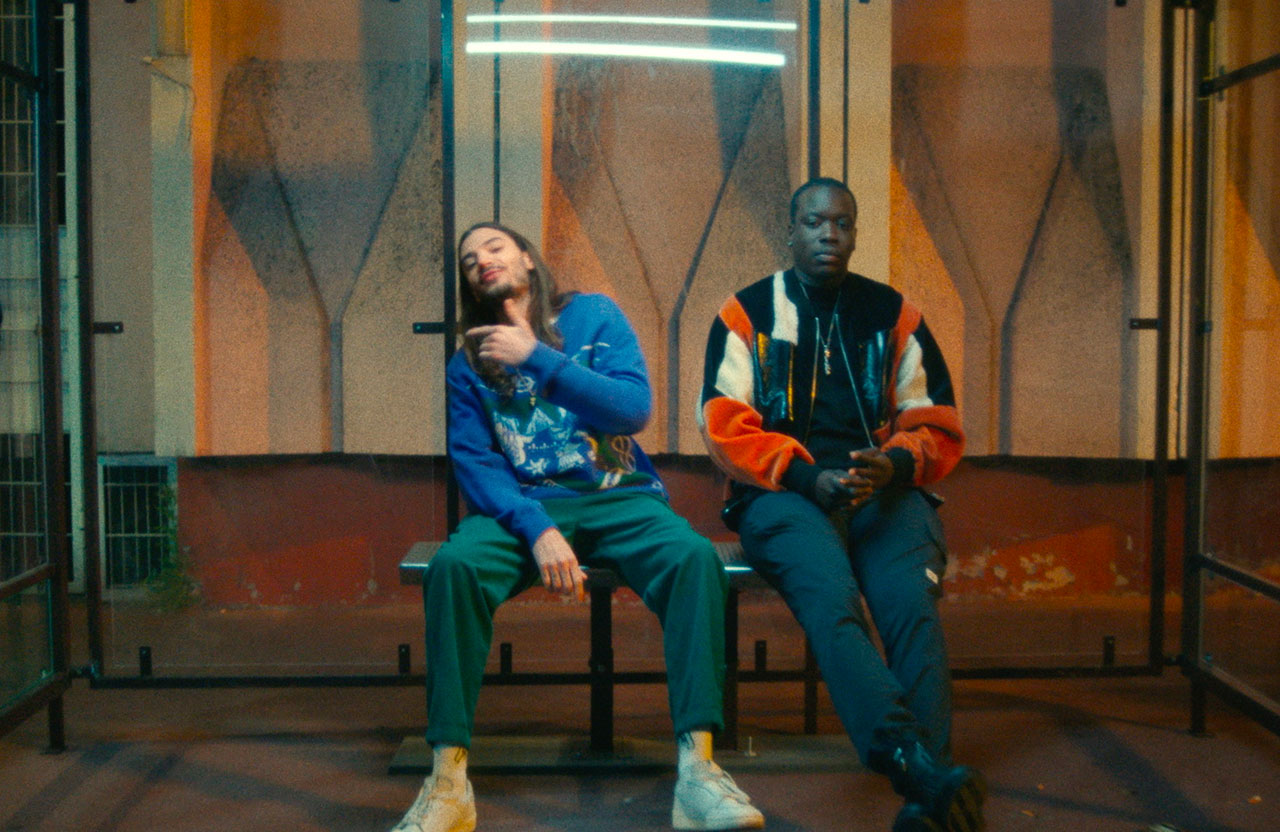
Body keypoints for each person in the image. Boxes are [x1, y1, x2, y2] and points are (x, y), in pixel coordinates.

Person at [392, 222, 765, 832]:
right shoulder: (468, 366)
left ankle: (698, 772)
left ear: (527, 259)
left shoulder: (594, 317)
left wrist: (535, 357)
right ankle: (449, 782)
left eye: (494, 247)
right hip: (527, 506)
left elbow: (632, 410)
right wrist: (537, 528)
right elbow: (477, 464)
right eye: (469, 259)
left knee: (694, 559)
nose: (481, 260)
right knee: (454, 567)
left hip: (617, 494)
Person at [698, 178, 985, 832]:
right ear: (791, 231)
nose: (829, 234)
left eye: (842, 223)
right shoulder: (746, 313)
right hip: (783, 496)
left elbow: (937, 422)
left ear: (855, 233)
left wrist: (895, 465)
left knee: (910, 605)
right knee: (833, 602)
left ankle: (927, 796)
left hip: (881, 491)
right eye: (814, 222)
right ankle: (913, 763)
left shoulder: (893, 313)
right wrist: (807, 477)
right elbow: (722, 425)